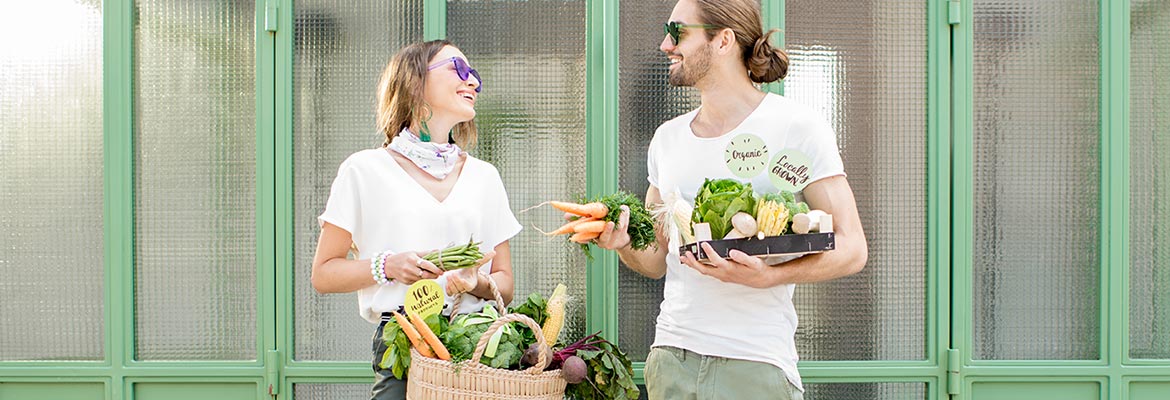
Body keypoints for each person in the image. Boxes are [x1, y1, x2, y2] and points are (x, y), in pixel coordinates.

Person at [592, 0, 868, 398]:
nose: (664, 45)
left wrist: (770, 276)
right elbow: (654, 259)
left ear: (723, 40)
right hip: (672, 358)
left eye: (677, 32)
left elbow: (853, 247)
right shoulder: (667, 139)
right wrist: (622, 245)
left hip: (754, 362)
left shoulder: (796, 127)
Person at [311, 40, 521, 400]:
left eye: (474, 75)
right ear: (414, 81)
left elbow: (505, 284)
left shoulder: (484, 176)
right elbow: (324, 274)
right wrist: (388, 266)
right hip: (403, 341)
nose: (472, 82)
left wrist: (472, 282)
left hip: (478, 346)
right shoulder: (363, 171)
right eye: (458, 68)